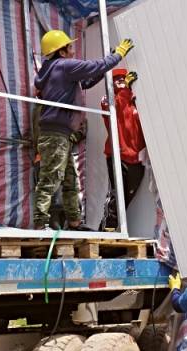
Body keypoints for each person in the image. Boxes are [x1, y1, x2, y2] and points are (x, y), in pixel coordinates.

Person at [33, 29, 134, 230]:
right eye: (69, 47)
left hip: (59, 134)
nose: (72, 51)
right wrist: (118, 55)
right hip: (56, 135)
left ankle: (74, 221)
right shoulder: (64, 66)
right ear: (60, 52)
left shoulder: (54, 70)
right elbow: (93, 67)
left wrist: (109, 61)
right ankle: (40, 223)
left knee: (70, 180)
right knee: (51, 178)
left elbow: (86, 81)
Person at [99, 68, 146, 231]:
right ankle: (106, 232)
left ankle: (109, 231)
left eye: (123, 78)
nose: (120, 81)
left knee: (126, 197)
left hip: (136, 157)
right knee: (116, 195)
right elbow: (113, 110)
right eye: (116, 79)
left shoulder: (133, 100)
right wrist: (124, 89)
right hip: (116, 154)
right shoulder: (108, 99)